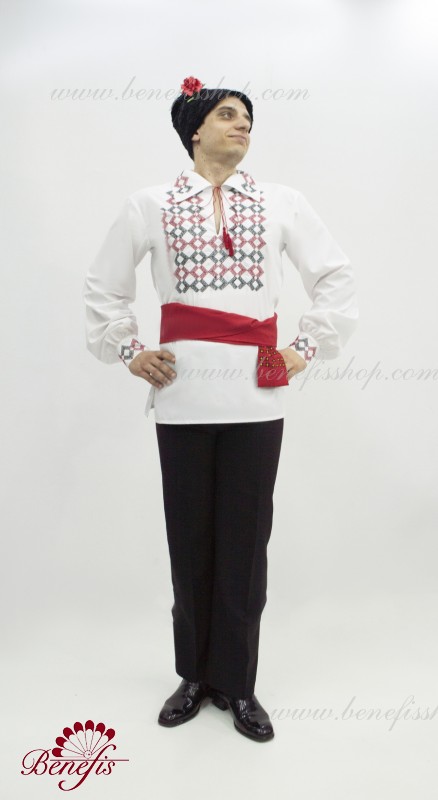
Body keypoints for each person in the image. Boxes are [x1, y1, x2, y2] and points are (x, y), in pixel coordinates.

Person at [82, 75, 359, 743]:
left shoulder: (280, 201)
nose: (243, 126)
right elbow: (103, 286)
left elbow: (335, 275)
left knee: (245, 543)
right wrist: (129, 350)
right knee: (190, 541)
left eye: (248, 119)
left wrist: (304, 348)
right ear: (195, 128)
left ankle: (236, 681)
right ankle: (194, 675)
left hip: (257, 396)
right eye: (229, 115)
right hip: (181, 397)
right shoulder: (150, 204)